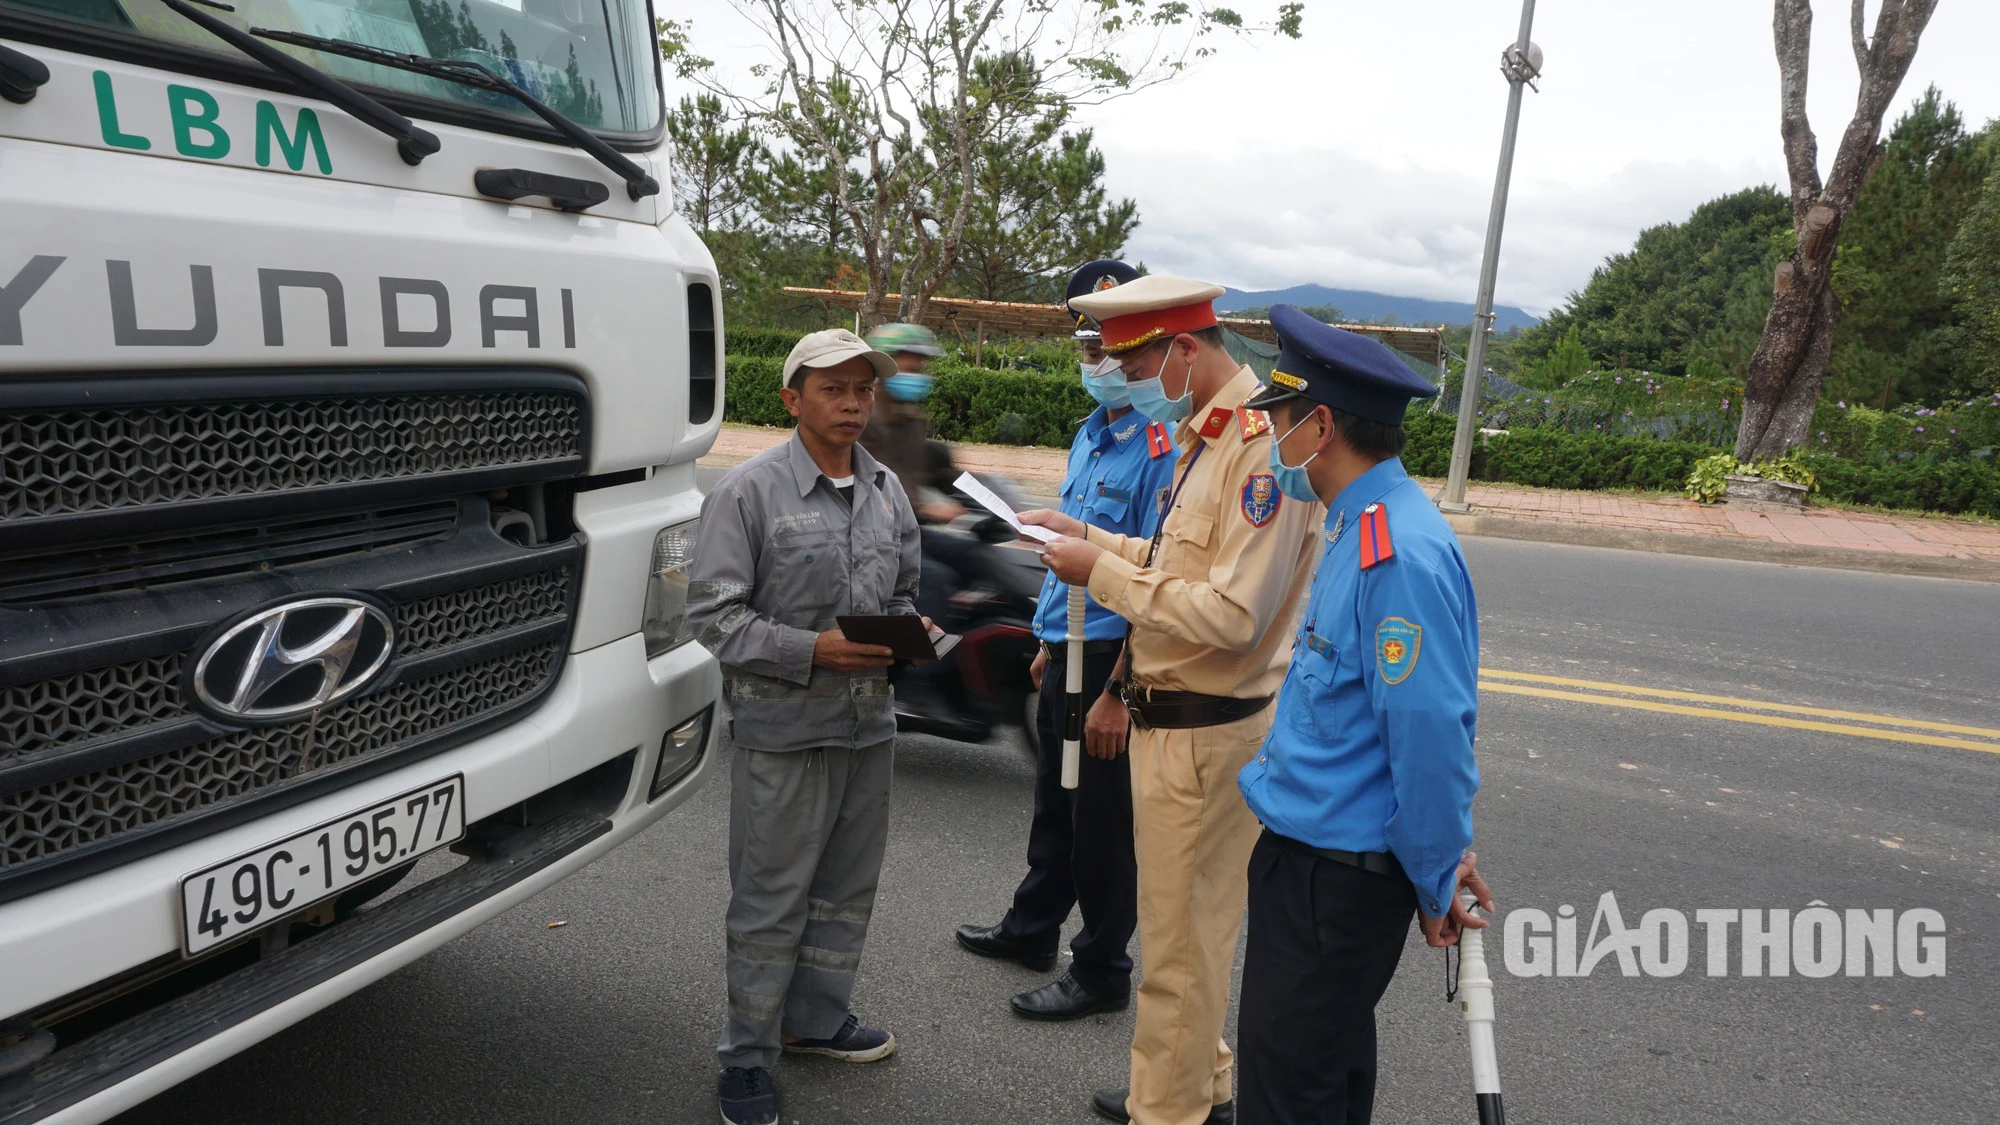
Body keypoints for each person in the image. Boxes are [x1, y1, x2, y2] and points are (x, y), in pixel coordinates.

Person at [1024, 275, 1323, 1125]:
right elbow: (1173, 562)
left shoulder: (1256, 448)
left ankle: (1168, 1108)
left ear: (1185, 350)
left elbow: (1232, 615)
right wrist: (1088, 537)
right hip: (1180, 720)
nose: (1128, 379)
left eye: (1136, 363)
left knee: (1178, 948)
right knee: (1185, 936)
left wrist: (1099, 571)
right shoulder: (1205, 435)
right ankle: (1200, 1080)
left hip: (1203, 728)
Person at [1233, 305, 1495, 1125]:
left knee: (1287, 1097)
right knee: (1323, 1083)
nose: (1271, 436)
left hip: (1332, 883)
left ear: (1320, 426)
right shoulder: (1360, 524)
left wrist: (1437, 870)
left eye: (1279, 418)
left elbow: (1428, 737)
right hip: (1319, 871)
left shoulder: (1395, 552)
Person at [686, 328, 923, 1125]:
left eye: (863, 388)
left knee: (844, 893)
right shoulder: (747, 493)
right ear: (792, 399)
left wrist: (909, 632)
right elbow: (712, 617)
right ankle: (746, 1058)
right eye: (833, 388)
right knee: (770, 902)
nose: (853, 403)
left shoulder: (887, 489)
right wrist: (812, 649)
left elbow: (903, 591)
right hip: (784, 731)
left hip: (868, 727)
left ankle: (813, 1020)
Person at [954, 260, 1178, 1022]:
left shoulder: (1160, 448)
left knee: (1102, 826)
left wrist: (1119, 689)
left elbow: (1154, 578)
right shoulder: (1092, 434)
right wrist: (1050, 639)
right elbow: (1072, 554)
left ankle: (1103, 967)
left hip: (1111, 661)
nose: (1096, 361)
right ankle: (1032, 928)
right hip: (1070, 647)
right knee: (1054, 805)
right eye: (1087, 347)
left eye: (1109, 348)